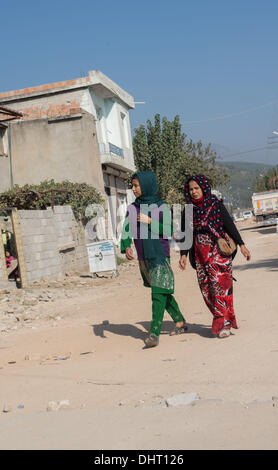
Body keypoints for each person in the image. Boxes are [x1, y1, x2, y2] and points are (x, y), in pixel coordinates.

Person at [179, 174, 251, 339]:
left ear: (203, 188)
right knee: (206, 289)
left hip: (218, 252)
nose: (194, 192)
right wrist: (183, 254)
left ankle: (223, 322)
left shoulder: (215, 205)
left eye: (196, 188)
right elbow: (186, 234)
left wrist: (242, 245)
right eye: (191, 189)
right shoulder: (188, 210)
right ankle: (223, 316)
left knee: (220, 286)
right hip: (200, 256)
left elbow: (229, 225)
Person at [120, 171, 187, 348]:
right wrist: (126, 246)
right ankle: (179, 321)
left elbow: (168, 231)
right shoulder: (132, 208)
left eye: (136, 185)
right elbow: (126, 230)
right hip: (143, 256)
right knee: (162, 290)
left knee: (157, 294)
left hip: (159, 255)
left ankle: (154, 333)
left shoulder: (162, 206)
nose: (133, 189)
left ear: (147, 185)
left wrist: (150, 221)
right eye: (132, 186)